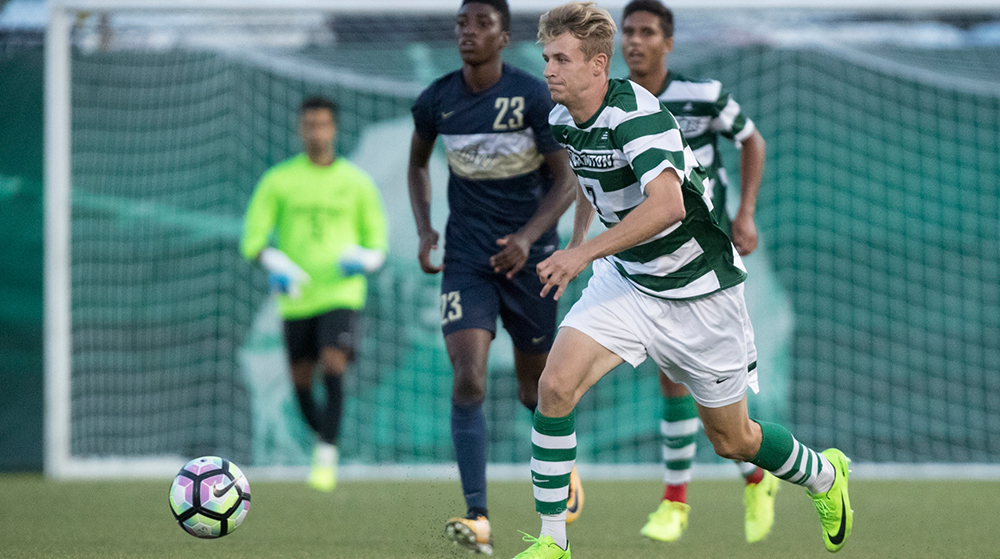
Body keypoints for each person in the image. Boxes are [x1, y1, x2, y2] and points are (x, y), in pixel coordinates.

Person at [511, 3, 852, 557]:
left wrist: (583, 254)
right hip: (627, 284)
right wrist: (578, 246)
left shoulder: (637, 115)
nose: (549, 69)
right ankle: (553, 542)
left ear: (598, 65)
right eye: (547, 57)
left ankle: (823, 476)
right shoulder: (561, 118)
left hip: (700, 292)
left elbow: (667, 206)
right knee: (554, 388)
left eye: (562, 59)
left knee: (732, 440)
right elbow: (584, 177)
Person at [407, 0, 581, 554]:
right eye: (462, 23)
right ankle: (478, 515)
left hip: (530, 260)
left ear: (504, 37)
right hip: (466, 259)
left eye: (481, 24)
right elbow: (417, 164)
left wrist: (529, 239)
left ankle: (561, 464)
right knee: (470, 379)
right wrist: (425, 229)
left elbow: (566, 180)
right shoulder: (437, 99)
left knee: (537, 390)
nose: (468, 32)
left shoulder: (533, 95)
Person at [619, 0, 775, 544]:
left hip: (705, 254)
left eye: (646, 32)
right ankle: (704, 492)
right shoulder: (611, 106)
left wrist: (746, 212)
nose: (634, 41)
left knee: (695, 380)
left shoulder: (702, 96)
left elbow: (751, 139)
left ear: (668, 43)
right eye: (628, 32)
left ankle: (700, 492)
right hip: (649, 261)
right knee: (676, 375)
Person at [240, 96, 388, 493]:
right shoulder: (278, 180)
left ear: (334, 128)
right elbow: (252, 240)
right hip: (297, 297)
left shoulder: (356, 182)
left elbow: (377, 245)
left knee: (333, 364)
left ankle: (325, 457)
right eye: (309, 125)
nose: (316, 133)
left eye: (323, 125)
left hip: (341, 292)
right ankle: (329, 441)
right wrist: (275, 263)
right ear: (299, 129)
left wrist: (365, 260)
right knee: (300, 381)